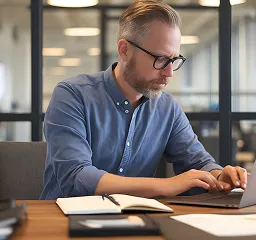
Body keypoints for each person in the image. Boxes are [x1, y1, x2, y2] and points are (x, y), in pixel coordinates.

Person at [40, 0, 248, 200]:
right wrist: (166, 185)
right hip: (64, 222)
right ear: (125, 50)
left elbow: (198, 162)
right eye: (160, 59)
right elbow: (76, 178)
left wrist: (220, 177)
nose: (169, 73)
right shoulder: (72, 95)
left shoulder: (167, 108)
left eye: (174, 60)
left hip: (139, 221)